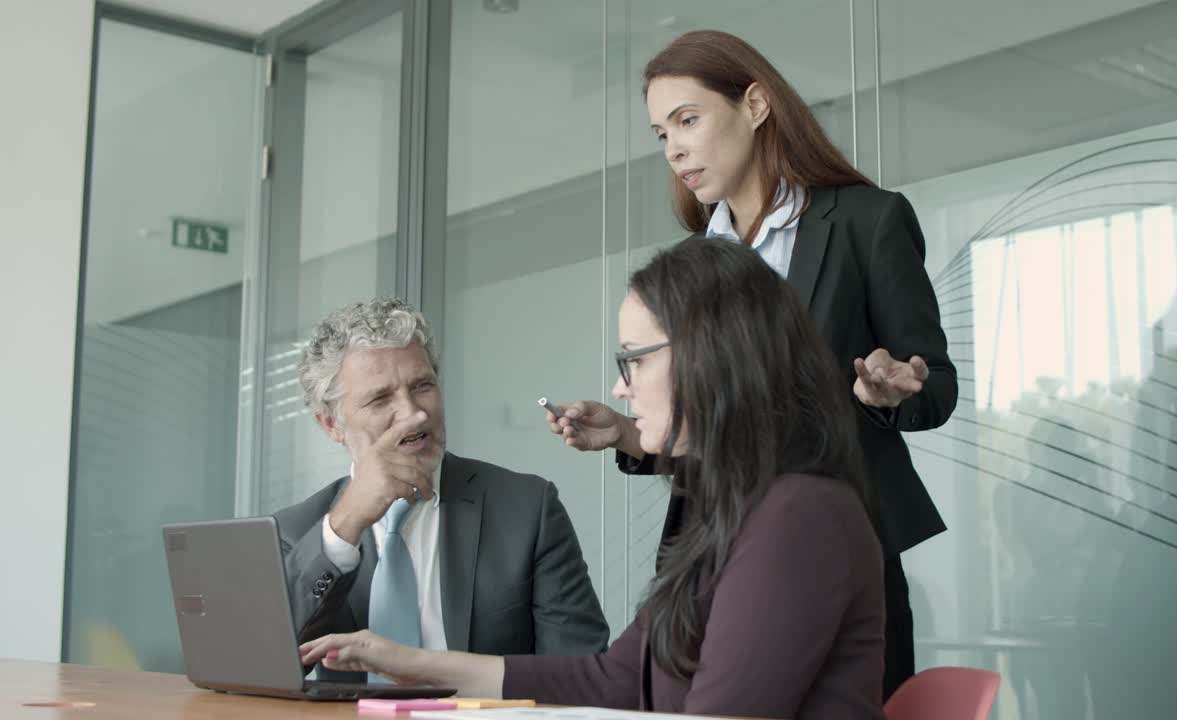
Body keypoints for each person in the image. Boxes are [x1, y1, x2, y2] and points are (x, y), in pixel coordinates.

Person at [300, 239, 887, 720]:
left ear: (712, 354)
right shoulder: (736, 508)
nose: (620, 388)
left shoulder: (796, 517)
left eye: (635, 359)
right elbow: (614, 678)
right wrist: (408, 662)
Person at [546, 29, 957, 699]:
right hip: (715, 554)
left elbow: (935, 385)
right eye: (661, 133)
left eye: (688, 120)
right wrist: (625, 433)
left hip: (837, 541)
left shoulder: (866, 221)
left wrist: (889, 394)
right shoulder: (695, 260)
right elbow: (721, 426)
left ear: (757, 105)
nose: (673, 148)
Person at [274, 298, 608, 678]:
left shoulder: (527, 509)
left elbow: (581, 676)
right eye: (380, 398)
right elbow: (263, 665)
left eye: (423, 386)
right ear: (331, 425)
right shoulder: (296, 533)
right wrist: (344, 525)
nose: (415, 414)